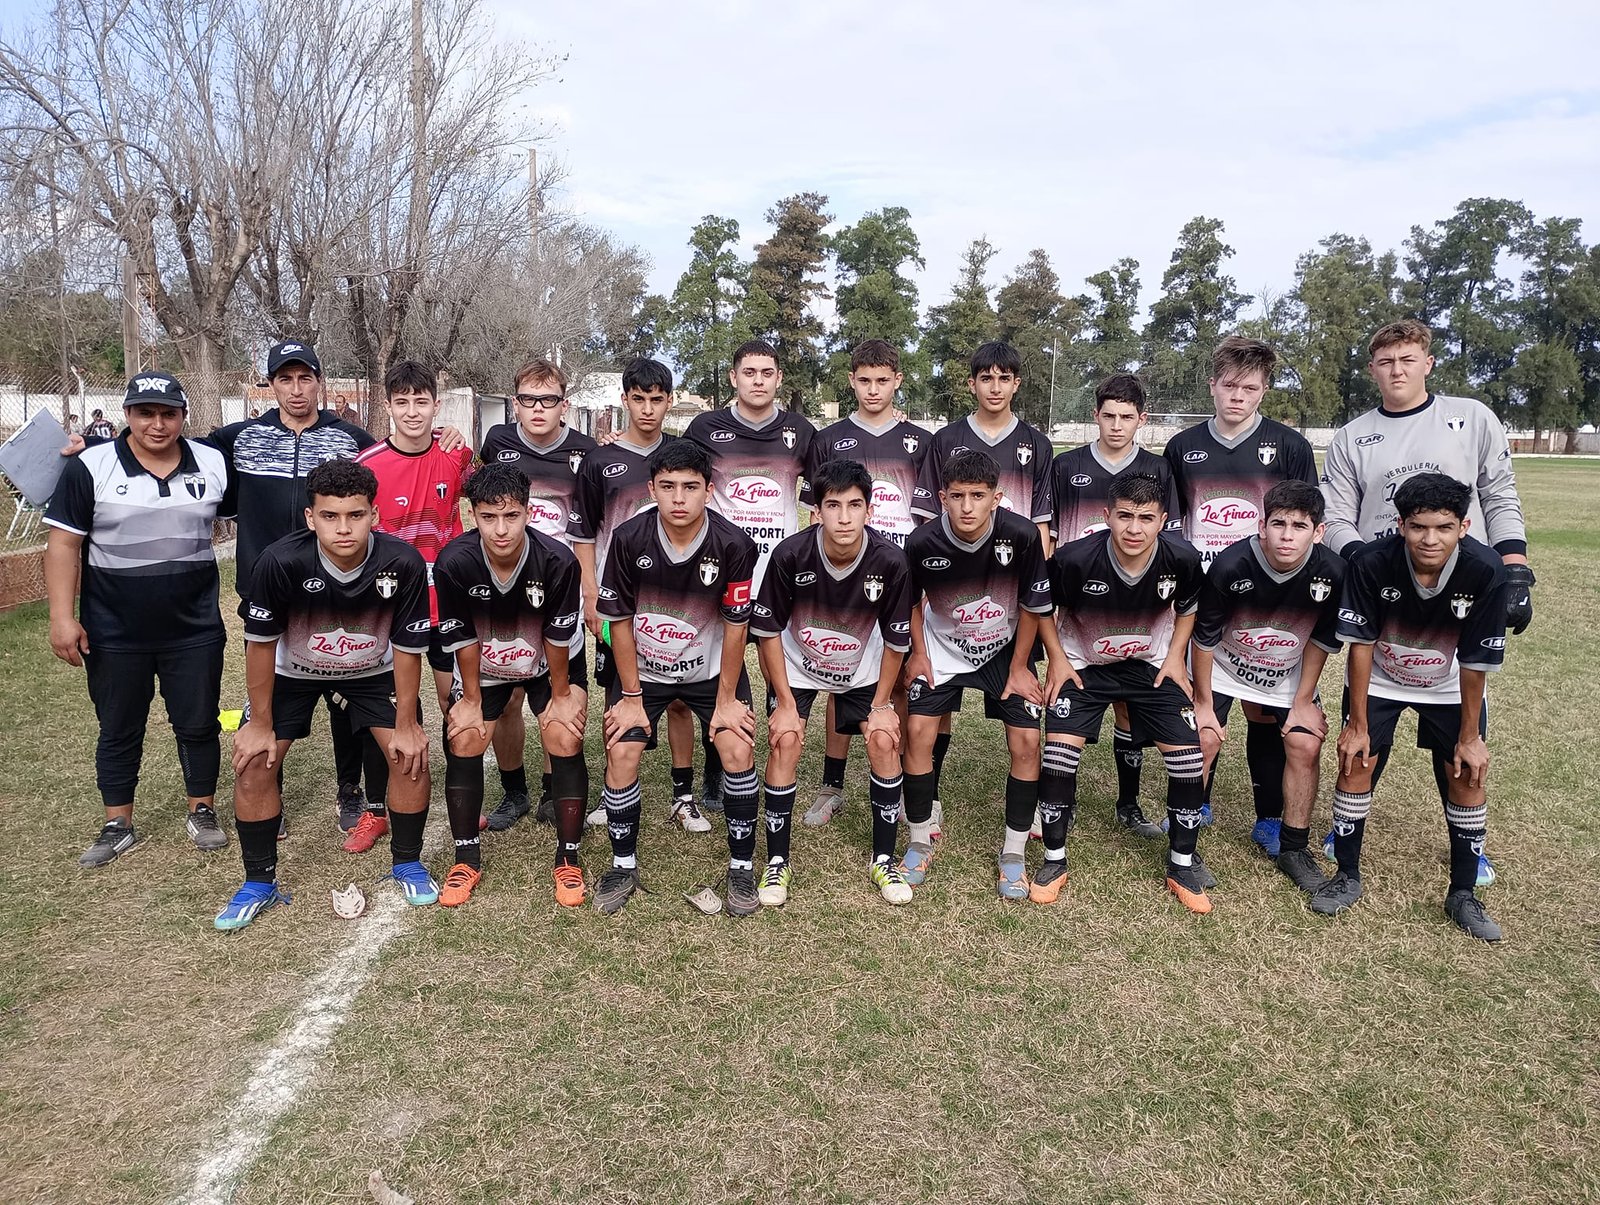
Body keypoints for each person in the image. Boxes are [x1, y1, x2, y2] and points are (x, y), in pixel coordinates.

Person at [1319, 318, 1533, 884]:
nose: (1397, 370)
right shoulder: (1352, 436)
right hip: (1386, 584)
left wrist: (1514, 569)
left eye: (1408, 359)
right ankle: (1348, 826)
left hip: (1461, 588)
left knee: (1460, 729)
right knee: (1365, 730)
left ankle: (1469, 848)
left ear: (1428, 362)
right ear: (1372, 369)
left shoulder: (1472, 418)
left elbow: (1499, 493)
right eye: (1386, 361)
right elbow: (1337, 515)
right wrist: (1373, 563)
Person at [215, 459, 435, 930]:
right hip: (293, 670)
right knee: (256, 759)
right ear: (310, 518)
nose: (344, 528)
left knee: (409, 754)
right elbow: (259, 643)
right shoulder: (279, 561)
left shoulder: (402, 562)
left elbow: (408, 646)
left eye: (355, 515)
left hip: (371, 669)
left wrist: (408, 721)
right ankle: (258, 882)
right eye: (330, 516)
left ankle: (407, 862)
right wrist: (257, 723)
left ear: (374, 514)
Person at [44, 371, 232, 866]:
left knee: (197, 723)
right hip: (113, 627)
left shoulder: (212, 461)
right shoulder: (91, 465)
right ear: (127, 415)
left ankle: (202, 810)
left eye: (168, 413)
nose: (157, 424)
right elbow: (64, 544)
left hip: (193, 626)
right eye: (146, 413)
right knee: (119, 726)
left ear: (183, 417)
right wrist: (62, 617)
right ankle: (117, 821)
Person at [1317, 473, 1508, 940]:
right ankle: (1347, 873)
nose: (1430, 538)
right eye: (1419, 526)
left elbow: (1477, 660)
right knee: (1355, 761)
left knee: (1467, 772)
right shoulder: (1372, 563)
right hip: (1381, 675)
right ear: (1400, 524)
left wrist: (1469, 736)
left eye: (1443, 527)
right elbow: (1360, 645)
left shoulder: (1486, 569)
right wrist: (1357, 725)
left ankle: (1463, 892)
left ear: (1464, 526)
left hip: (1446, 685)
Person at [207, 342, 383, 839]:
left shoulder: (351, 439)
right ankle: (271, 793)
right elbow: (171, 447)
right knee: (269, 695)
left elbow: (395, 462)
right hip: (267, 587)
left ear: (319, 382)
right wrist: (87, 448)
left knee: (345, 696)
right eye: (285, 379)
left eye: (306, 378)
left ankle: (349, 792)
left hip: (340, 591)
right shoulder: (240, 438)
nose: (297, 388)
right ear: (271, 384)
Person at [1160, 336, 1318, 846]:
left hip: (1270, 596)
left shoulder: (1289, 446)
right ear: (1212, 385)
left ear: (1264, 390)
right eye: (1229, 385)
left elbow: (1307, 519)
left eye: (1249, 388)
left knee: (1266, 706)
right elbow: (1173, 524)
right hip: (1204, 590)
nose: (1237, 397)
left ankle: (1270, 814)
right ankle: (1196, 802)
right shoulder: (1183, 447)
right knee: (1206, 700)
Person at [593, 440, 760, 915]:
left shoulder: (734, 544)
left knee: (736, 745)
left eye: (690, 487)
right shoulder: (628, 539)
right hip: (643, 673)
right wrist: (629, 695)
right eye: (667, 487)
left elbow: (735, 622)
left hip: (709, 672)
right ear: (652, 489)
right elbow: (618, 620)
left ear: (710, 490)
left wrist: (727, 697)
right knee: (622, 749)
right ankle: (623, 864)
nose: (679, 498)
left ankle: (742, 870)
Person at [1036, 474, 1211, 912]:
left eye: (1147, 518)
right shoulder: (1075, 559)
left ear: (1163, 521)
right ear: (1107, 516)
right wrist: (1057, 657)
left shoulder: (1184, 558)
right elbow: (1042, 609)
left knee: (1188, 759)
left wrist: (1174, 657)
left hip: (1149, 666)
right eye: (1126, 517)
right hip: (1084, 666)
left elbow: (1188, 609)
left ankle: (1182, 863)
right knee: (1058, 756)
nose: (1135, 529)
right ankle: (1054, 859)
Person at [754, 459, 916, 906]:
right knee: (785, 738)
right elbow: (767, 632)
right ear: (817, 510)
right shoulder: (790, 555)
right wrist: (785, 701)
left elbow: (898, 639)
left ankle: (883, 858)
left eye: (854, 505)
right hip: (798, 666)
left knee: (883, 739)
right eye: (833, 505)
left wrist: (882, 703)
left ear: (869, 509)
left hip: (862, 669)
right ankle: (777, 863)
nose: (843, 517)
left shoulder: (890, 560)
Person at [911, 342, 1054, 834]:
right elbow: (930, 525)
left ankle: (1026, 809)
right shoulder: (945, 438)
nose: (995, 387)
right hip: (950, 610)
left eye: (1004, 378)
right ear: (971, 383)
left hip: (1007, 603)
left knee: (1023, 725)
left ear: (1016, 384)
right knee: (932, 716)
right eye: (985, 378)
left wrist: (1030, 587)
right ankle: (927, 801)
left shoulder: (1036, 443)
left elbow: (1039, 526)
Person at [434, 464, 588, 907]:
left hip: (547, 665)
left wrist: (561, 698)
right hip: (486, 667)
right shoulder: (454, 561)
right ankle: (466, 858)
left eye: (512, 516)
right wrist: (472, 699)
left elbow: (559, 637)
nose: (501, 529)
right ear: (473, 514)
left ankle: (569, 857)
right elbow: (461, 635)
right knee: (463, 736)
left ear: (528, 512)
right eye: (488, 517)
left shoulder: (558, 561)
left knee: (562, 732)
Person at [901, 450, 1050, 899]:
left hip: (1003, 650)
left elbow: (1033, 605)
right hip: (942, 648)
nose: (967, 507)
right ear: (942, 497)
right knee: (918, 728)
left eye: (978, 496)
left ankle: (1013, 852)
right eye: (958, 497)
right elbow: (909, 603)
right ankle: (919, 837)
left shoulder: (1021, 535)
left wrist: (1022, 666)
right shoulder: (922, 542)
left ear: (997, 498)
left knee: (1026, 740)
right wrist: (919, 654)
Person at [568, 357, 705, 832]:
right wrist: (590, 593)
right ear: (624, 400)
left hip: (681, 600)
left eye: (657, 399)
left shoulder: (686, 452)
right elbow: (584, 533)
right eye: (639, 399)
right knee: (618, 694)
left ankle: (683, 795)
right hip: (620, 601)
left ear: (669, 400)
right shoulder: (600, 461)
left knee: (682, 699)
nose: (648, 408)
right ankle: (615, 793)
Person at [682, 339, 818, 816]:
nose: (758, 380)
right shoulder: (705, 428)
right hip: (721, 568)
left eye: (767, 372)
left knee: (784, 666)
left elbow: (819, 503)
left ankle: (786, 749)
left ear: (779, 379)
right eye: (749, 372)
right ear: (734, 377)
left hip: (781, 570)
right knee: (721, 666)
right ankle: (720, 771)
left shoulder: (801, 431)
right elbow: (680, 479)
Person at [1190, 480, 1345, 894]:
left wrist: (1303, 700)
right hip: (1222, 664)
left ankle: (1294, 847)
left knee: (1306, 742)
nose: (1287, 535)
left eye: (1299, 526)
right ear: (1261, 526)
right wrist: (1203, 704)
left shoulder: (1332, 572)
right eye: (1278, 524)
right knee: (1202, 737)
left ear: (1319, 532)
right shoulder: (1231, 565)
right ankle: (1184, 843)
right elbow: (1203, 640)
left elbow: (1321, 641)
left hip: (1286, 670)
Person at [800, 339, 929, 828]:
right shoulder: (830, 438)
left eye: (883, 380)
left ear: (897, 380)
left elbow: (924, 517)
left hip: (898, 573)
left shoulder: (921, 441)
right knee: (840, 672)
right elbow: (818, 514)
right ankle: (832, 785)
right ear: (851, 381)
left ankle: (902, 779)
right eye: (864, 380)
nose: (873, 390)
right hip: (843, 576)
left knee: (900, 677)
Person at [1047, 372, 1181, 840]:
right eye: (1109, 416)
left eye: (1127, 417)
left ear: (1141, 420)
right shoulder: (1067, 466)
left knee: (1128, 704)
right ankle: (1067, 801)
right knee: (1075, 696)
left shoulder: (1159, 469)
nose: (1117, 425)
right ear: (1095, 416)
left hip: (1139, 604)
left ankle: (1128, 802)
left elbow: (1170, 536)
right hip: (1081, 600)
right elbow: (1052, 533)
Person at [478, 357, 596, 831]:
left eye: (548, 400)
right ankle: (514, 791)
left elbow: (590, 525)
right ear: (516, 404)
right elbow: (486, 497)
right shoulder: (498, 443)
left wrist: (589, 585)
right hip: (502, 584)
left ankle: (552, 791)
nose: (539, 409)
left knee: (557, 698)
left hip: (559, 589)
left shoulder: (588, 451)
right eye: (528, 400)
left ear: (564, 404)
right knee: (506, 700)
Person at [354, 360, 474, 713]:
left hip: (447, 598)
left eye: (421, 402)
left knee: (454, 701)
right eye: (402, 402)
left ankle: (459, 767)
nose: (412, 412)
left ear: (436, 406)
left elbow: (488, 497)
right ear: (388, 406)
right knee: (398, 705)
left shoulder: (455, 454)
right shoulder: (367, 466)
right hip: (391, 599)